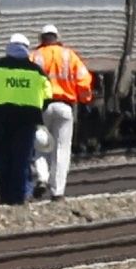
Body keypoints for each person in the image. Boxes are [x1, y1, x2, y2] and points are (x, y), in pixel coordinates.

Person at [0, 38, 49, 206]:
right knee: (22, 159)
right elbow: (47, 95)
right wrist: (37, 111)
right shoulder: (36, 71)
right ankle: (20, 196)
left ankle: (5, 195)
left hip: (2, 120)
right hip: (27, 121)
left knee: (4, 158)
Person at [30, 21, 97, 198]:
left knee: (41, 147)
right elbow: (83, 80)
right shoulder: (69, 56)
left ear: (41, 39)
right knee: (61, 149)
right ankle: (57, 191)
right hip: (65, 107)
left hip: (42, 107)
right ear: (57, 38)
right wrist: (86, 98)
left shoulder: (35, 56)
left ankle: (42, 178)